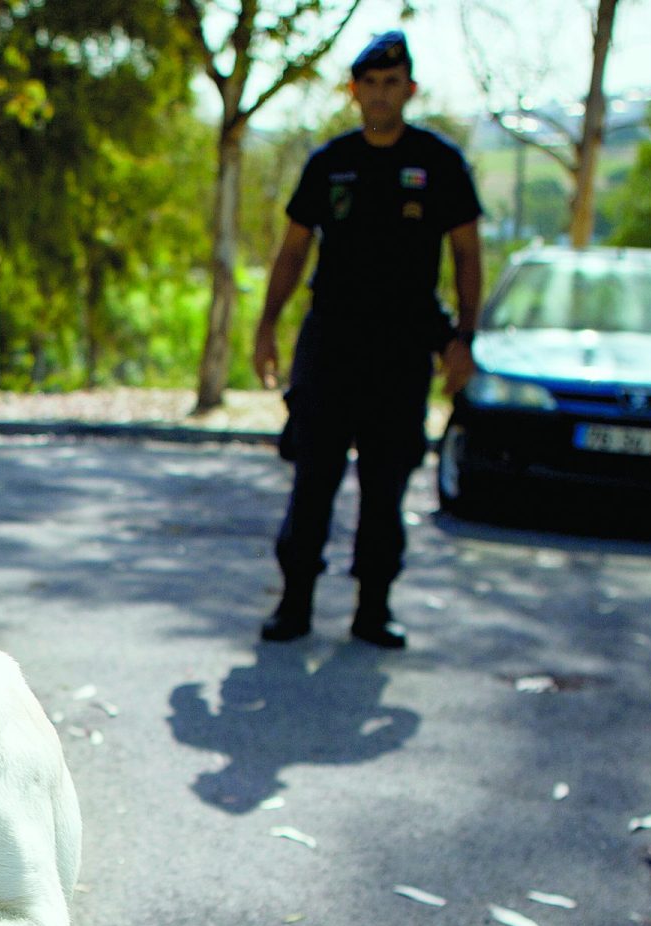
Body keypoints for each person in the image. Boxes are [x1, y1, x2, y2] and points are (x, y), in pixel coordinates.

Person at [252, 30, 483, 648]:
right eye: (370, 84)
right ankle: (295, 601)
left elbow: (466, 254)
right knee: (313, 477)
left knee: (387, 483)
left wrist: (464, 337)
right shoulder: (330, 163)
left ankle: (373, 607)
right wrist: (267, 325)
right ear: (354, 92)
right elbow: (293, 250)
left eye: (392, 84)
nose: (381, 95)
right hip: (331, 346)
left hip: (404, 350)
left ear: (409, 89)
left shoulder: (439, 163)